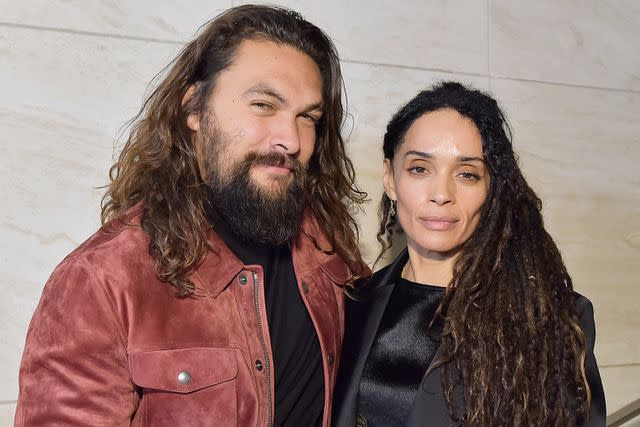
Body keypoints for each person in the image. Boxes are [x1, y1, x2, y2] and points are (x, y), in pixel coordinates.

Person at [15, 5, 369, 426]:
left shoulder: (326, 252)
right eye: (263, 105)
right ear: (194, 109)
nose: (290, 139)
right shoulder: (103, 280)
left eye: (308, 118)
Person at [332, 82, 606, 426]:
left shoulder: (552, 318)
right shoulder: (351, 303)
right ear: (390, 177)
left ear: (491, 189)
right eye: (420, 168)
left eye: (466, 174)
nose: (441, 194)